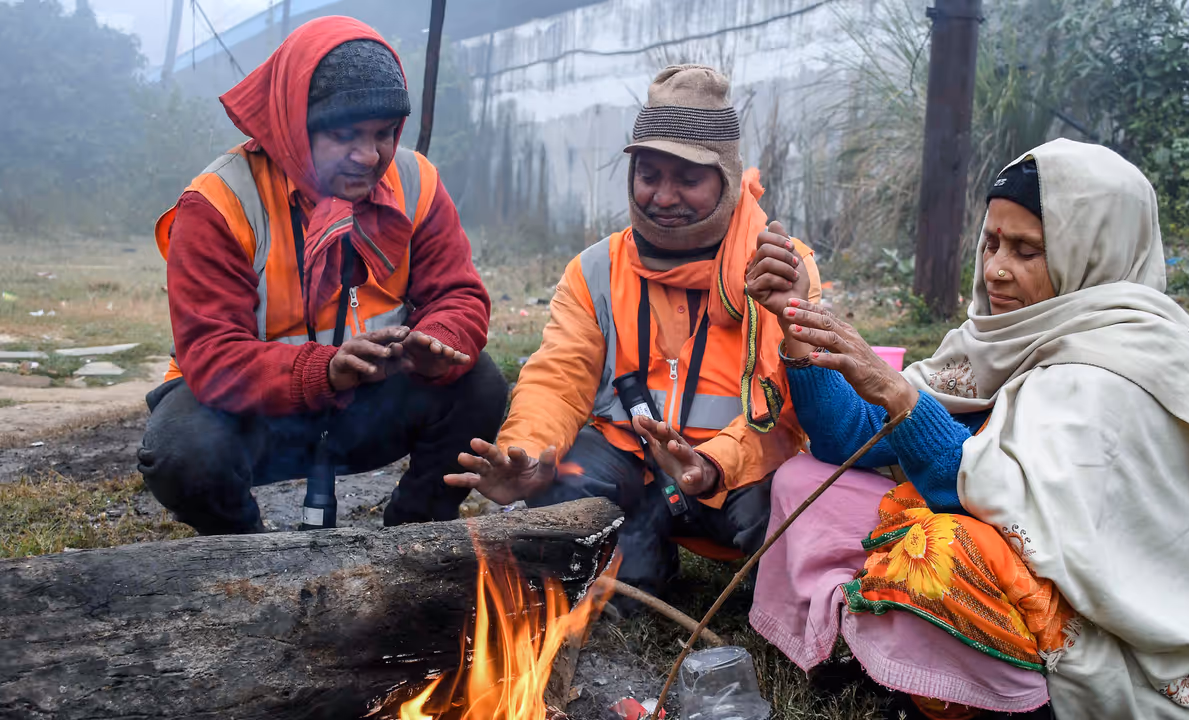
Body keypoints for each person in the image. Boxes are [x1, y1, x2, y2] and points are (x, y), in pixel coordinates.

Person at [747, 139, 1189, 718]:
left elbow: (1012, 514)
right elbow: (848, 439)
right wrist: (795, 325)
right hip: (1012, 557)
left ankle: (1010, 701)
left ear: (1092, 252)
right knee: (808, 481)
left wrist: (900, 396)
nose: (995, 269)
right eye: (992, 242)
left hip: (1104, 638)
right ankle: (882, 653)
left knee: (946, 552)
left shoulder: (1125, 371)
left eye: (1027, 250)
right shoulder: (999, 343)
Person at [442, 65, 822, 596]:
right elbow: (557, 379)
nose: (663, 197)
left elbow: (785, 406)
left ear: (728, 180)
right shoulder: (595, 269)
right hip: (628, 464)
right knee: (563, 490)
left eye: (687, 179)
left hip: (733, 472)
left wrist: (710, 465)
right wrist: (527, 452)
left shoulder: (781, 267)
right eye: (649, 176)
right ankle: (642, 555)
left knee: (791, 507)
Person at [137, 17, 506, 534]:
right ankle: (244, 557)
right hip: (252, 413)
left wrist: (435, 341)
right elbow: (212, 355)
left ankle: (413, 539)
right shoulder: (219, 203)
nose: (369, 156)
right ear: (293, 121)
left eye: (383, 134)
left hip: (367, 403)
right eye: (344, 134)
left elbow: (459, 294)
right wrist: (324, 371)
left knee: (480, 384)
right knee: (182, 452)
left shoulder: (417, 180)